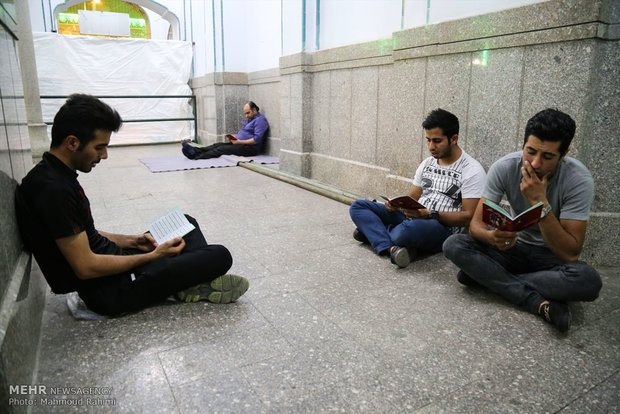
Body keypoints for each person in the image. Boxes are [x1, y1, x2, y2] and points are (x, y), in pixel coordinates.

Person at [15, 94, 249, 316]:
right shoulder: (53, 190)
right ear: (72, 143)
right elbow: (86, 267)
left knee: (185, 223)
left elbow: (79, 233)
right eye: (99, 147)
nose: (104, 155)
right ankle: (186, 282)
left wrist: (134, 240)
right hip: (112, 289)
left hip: (114, 263)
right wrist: (153, 257)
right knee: (220, 255)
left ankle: (185, 279)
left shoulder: (53, 175)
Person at [442, 108, 602, 332]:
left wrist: (541, 203)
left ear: (564, 154)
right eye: (530, 151)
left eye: (547, 157)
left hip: (551, 257)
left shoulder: (578, 179)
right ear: (523, 143)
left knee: (588, 281)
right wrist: (491, 236)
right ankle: (536, 301)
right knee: (454, 244)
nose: (535, 163)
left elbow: (570, 252)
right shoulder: (505, 167)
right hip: (512, 249)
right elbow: (475, 225)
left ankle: (487, 278)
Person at [349, 108, 486, 268]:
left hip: (441, 227)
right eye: (428, 140)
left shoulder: (472, 170)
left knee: (405, 231)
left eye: (437, 141)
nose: (431, 146)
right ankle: (391, 248)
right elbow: (412, 197)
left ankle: (373, 233)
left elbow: (468, 217)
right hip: (413, 217)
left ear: (454, 138)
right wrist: (396, 205)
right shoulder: (427, 163)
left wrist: (430, 214)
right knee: (358, 207)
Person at [182, 101, 269, 159]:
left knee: (221, 149)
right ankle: (194, 150)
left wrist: (239, 142)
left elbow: (256, 140)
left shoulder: (260, 120)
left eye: (248, 113)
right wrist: (235, 138)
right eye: (245, 113)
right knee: (217, 145)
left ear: (254, 110)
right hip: (240, 144)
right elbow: (246, 133)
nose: (246, 115)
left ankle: (195, 156)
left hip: (250, 149)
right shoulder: (250, 120)